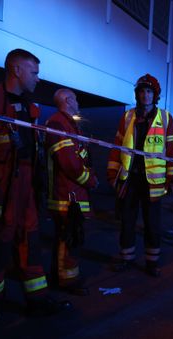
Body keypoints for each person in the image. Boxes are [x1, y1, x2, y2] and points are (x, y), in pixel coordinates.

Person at [0, 49, 71, 320]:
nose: (38, 79)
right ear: (17, 70)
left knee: (31, 246)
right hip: (0, 192)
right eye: (34, 72)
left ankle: (37, 300)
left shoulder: (29, 108)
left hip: (26, 188)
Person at [107, 74, 173, 277]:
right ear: (137, 94)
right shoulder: (128, 116)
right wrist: (112, 175)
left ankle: (151, 262)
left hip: (153, 181)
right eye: (141, 91)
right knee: (127, 221)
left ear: (155, 95)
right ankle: (126, 258)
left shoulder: (165, 118)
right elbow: (116, 146)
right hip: (130, 178)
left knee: (152, 223)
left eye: (149, 92)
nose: (145, 95)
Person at [45, 89, 98, 295]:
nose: (78, 102)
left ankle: (61, 276)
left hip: (72, 195)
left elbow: (80, 158)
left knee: (67, 239)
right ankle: (66, 281)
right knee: (68, 240)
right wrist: (91, 180)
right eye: (75, 99)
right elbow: (70, 163)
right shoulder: (58, 123)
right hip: (67, 196)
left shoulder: (69, 124)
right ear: (67, 100)